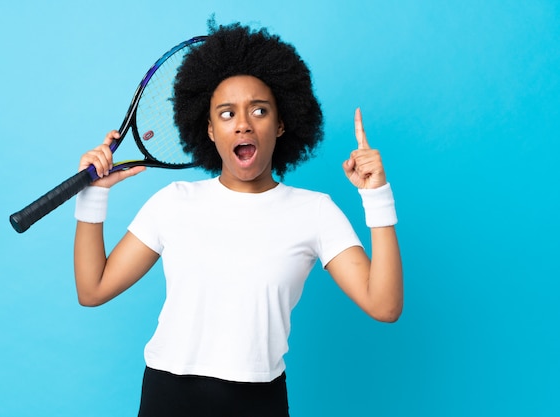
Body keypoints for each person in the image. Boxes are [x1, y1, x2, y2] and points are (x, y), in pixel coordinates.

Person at [73, 22, 402, 417]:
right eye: (227, 114)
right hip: (167, 398)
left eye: (259, 110)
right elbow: (92, 290)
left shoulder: (315, 211)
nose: (243, 123)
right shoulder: (174, 203)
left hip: (259, 401)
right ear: (210, 130)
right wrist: (93, 198)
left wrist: (376, 197)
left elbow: (384, 305)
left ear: (280, 123)